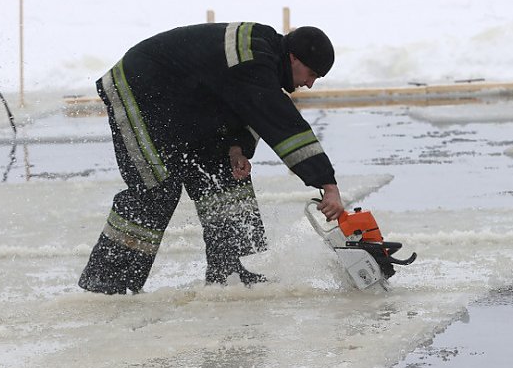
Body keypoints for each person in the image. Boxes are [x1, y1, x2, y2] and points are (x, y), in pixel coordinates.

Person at [78, 22, 344, 295]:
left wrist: (236, 148)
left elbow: (245, 105)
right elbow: (279, 120)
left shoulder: (261, 61)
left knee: (225, 176)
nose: (309, 84)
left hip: (186, 105)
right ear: (293, 58)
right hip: (139, 89)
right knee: (156, 190)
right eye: (311, 74)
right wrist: (327, 183)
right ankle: (106, 286)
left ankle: (233, 279)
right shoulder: (251, 55)